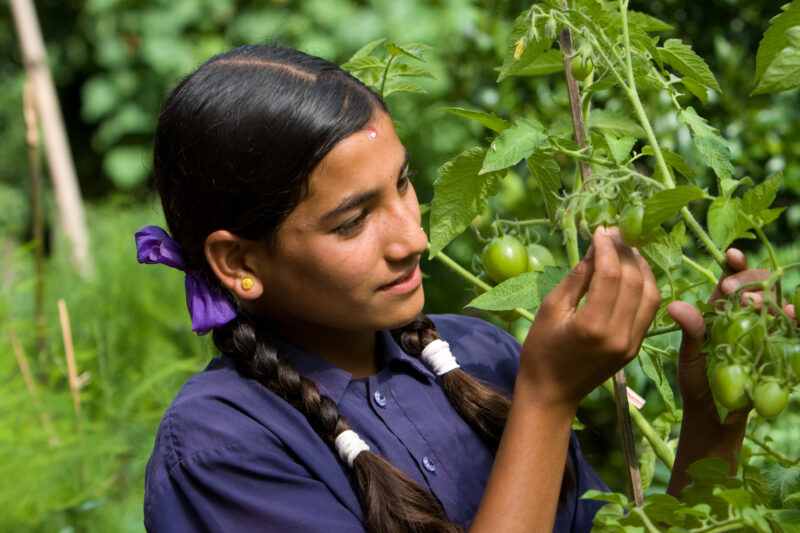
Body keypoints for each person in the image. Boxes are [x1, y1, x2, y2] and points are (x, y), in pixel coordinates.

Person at [139, 44, 762, 532]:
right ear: (237, 260)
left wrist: (713, 423)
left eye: (404, 184)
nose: (413, 237)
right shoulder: (222, 447)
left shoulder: (482, 358)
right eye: (353, 221)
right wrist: (547, 400)